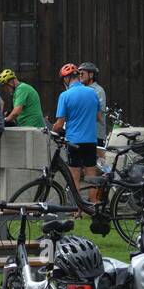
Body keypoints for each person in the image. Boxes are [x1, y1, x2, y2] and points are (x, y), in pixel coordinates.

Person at [52, 63, 99, 200]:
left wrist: (52, 129)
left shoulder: (65, 96)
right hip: (91, 139)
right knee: (91, 175)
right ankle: (94, 205)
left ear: (66, 79)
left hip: (74, 142)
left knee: (74, 177)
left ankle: (76, 210)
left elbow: (60, 124)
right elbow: (98, 116)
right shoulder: (92, 92)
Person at [77, 62, 106, 154]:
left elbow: (98, 114)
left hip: (95, 134)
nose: (80, 76)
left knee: (96, 164)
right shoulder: (80, 89)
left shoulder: (98, 91)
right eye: (79, 74)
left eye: (82, 74)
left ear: (91, 75)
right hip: (83, 134)